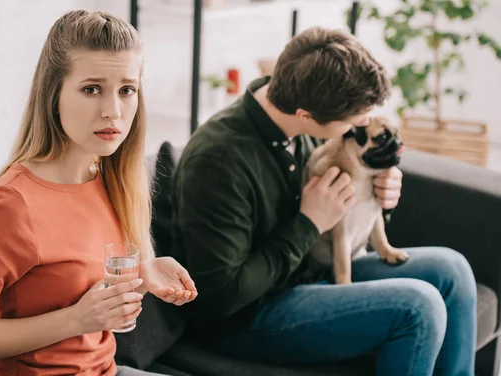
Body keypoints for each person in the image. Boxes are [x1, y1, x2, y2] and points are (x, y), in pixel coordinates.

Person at [170, 27, 476, 376]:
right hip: (248, 315)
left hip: (311, 273)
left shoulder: (305, 122)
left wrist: (379, 199)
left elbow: (342, 213)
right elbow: (222, 295)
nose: (361, 124)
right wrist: (309, 223)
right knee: (418, 307)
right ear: (306, 115)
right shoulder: (219, 161)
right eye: (353, 121)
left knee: (452, 270)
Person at [0, 10, 197, 376]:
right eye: (91, 89)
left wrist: (143, 270)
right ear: (53, 92)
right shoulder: (13, 206)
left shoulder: (112, 176)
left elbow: (76, 268)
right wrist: (77, 319)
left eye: (127, 90)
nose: (113, 111)